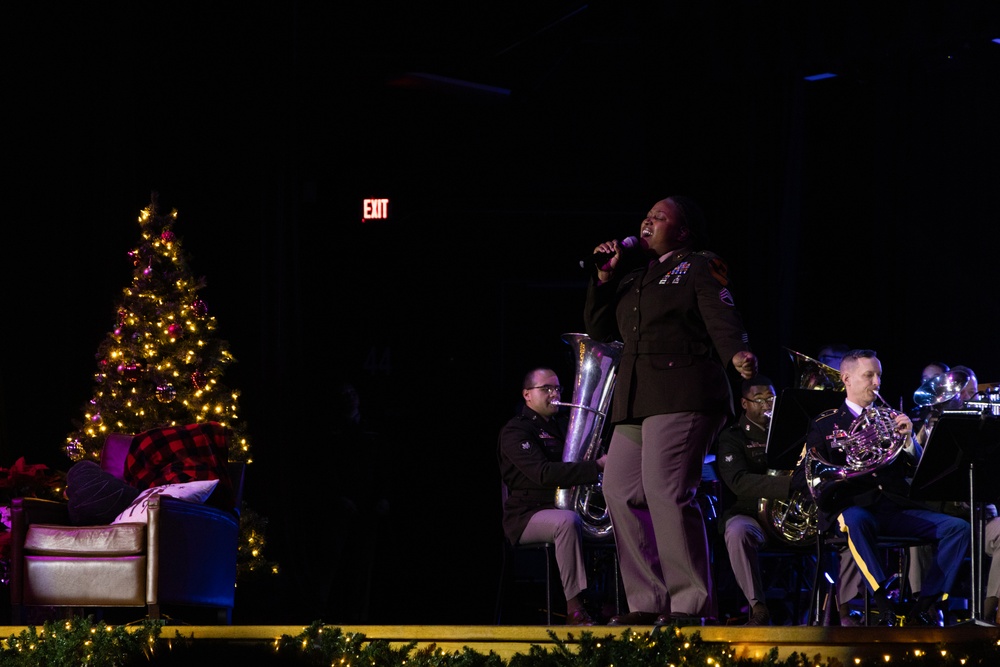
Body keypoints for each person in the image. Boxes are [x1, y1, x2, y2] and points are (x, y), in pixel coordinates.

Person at [583, 195, 758, 626]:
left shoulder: (699, 264)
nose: (647, 221)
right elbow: (599, 330)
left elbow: (721, 313)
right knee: (618, 491)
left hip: (683, 392)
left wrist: (736, 353)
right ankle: (647, 601)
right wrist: (603, 277)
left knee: (665, 490)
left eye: (659, 217)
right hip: (636, 399)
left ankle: (690, 604)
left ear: (682, 232)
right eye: (646, 215)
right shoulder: (634, 277)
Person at [794, 349, 969, 627]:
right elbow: (801, 478)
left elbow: (920, 472)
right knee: (857, 520)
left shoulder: (891, 419)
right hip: (851, 507)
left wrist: (909, 441)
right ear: (847, 379)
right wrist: (839, 477)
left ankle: (924, 605)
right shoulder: (825, 424)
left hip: (892, 507)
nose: (876, 382)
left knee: (957, 528)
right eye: (869, 376)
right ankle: (884, 603)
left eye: (879, 376)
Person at [498, 367, 607, 626]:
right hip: (526, 515)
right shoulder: (516, 431)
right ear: (527, 394)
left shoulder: (563, 426)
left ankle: (610, 602)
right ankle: (574, 608)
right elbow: (543, 474)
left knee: (617, 520)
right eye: (546, 389)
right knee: (566, 522)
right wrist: (595, 466)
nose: (555, 394)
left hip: (561, 507)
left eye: (557, 388)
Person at [716, 375, 784, 626]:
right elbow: (739, 482)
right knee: (737, 531)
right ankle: (758, 607)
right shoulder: (732, 437)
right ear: (744, 403)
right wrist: (788, 485)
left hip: (788, 517)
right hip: (751, 514)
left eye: (771, 399)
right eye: (759, 400)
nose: (767, 405)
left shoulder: (788, 431)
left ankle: (841, 608)